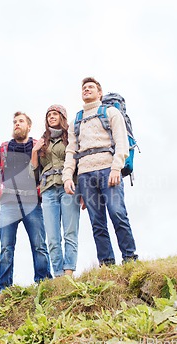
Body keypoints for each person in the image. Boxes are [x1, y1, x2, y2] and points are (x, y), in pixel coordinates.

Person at [62, 77, 138, 266]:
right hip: (85, 176)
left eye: (91, 87)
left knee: (117, 213)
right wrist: (67, 177)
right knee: (97, 222)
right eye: (84, 88)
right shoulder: (75, 121)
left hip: (108, 170)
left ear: (99, 93)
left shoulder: (111, 112)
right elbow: (71, 151)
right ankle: (106, 263)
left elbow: (121, 142)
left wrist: (116, 168)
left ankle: (129, 258)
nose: (86, 90)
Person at [0, 111, 52, 293]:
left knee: (39, 245)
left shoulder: (38, 146)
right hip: (8, 204)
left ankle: (44, 284)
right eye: (14, 121)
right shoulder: (3, 149)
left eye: (21, 121)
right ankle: (4, 290)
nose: (17, 124)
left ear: (29, 126)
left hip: (32, 203)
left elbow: (47, 170)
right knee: (6, 248)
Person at [31, 104, 81, 277]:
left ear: (62, 117)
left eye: (55, 114)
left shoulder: (71, 137)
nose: (51, 117)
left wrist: (82, 191)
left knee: (70, 232)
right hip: (48, 190)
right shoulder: (42, 141)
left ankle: (69, 273)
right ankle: (59, 275)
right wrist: (34, 151)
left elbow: (78, 165)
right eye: (48, 115)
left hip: (69, 187)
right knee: (52, 237)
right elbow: (33, 173)